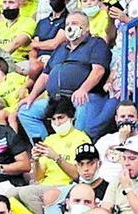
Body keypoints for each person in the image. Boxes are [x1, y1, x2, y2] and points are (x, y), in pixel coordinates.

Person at [18, 12, 113, 140]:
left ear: (87, 28)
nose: (70, 27)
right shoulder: (61, 48)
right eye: (67, 24)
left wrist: (83, 89)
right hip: (57, 100)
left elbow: (98, 70)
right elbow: (45, 75)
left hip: (83, 96)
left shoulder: (96, 43)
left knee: (81, 105)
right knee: (26, 112)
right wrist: (31, 96)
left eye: (74, 24)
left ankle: (76, 148)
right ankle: (44, 149)